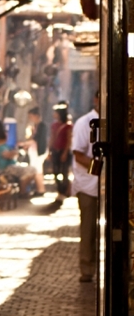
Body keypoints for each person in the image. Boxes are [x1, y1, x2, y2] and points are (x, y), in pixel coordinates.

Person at [72, 91, 99, 282]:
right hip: (88, 185)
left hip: (105, 185)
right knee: (88, 228)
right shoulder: (84, 123)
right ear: (96, 99)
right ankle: (87, 269)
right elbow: (78, 154)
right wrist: (101, 170)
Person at [18, 106, 47, 197]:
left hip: (39, 151)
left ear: (36, 115)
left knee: (36, 170)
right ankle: (39, 189)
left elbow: (37, 139)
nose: (30, 118)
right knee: (37, 170)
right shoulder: (35, 126)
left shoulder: (42, 126)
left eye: (31, 116)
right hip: (34, 151)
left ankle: (40, 189)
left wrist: (24, 143)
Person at [49, 101, 72, 204]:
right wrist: (49, 150)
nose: (54, 114)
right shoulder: (54, 125)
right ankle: (60, 189)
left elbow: (69, 140)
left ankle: (63, 191)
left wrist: (65, 153)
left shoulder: (68, 126)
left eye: (56, 112)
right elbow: (52, 138)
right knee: (55, 171)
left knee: (64, 172)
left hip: (63, 151)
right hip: (55, 151)